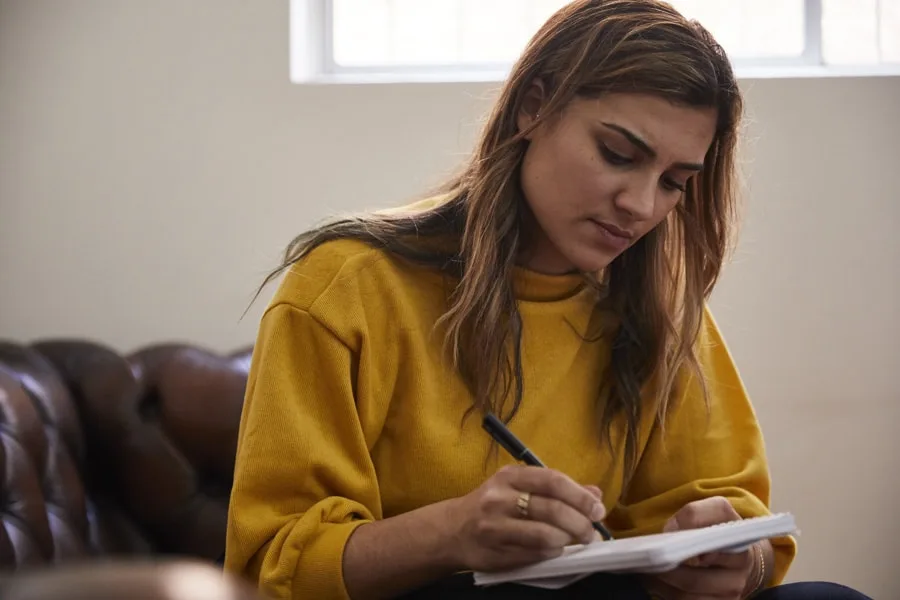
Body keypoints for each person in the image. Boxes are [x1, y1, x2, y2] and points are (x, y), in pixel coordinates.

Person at [223, 1, 871, 599]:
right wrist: (451, 533)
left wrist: (739, 560)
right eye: (618, 154)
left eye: (675, 182)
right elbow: (269, 567)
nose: (642, 205)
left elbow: (737, 516)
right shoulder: (347, 288)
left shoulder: (662, 309)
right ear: (534, 107)